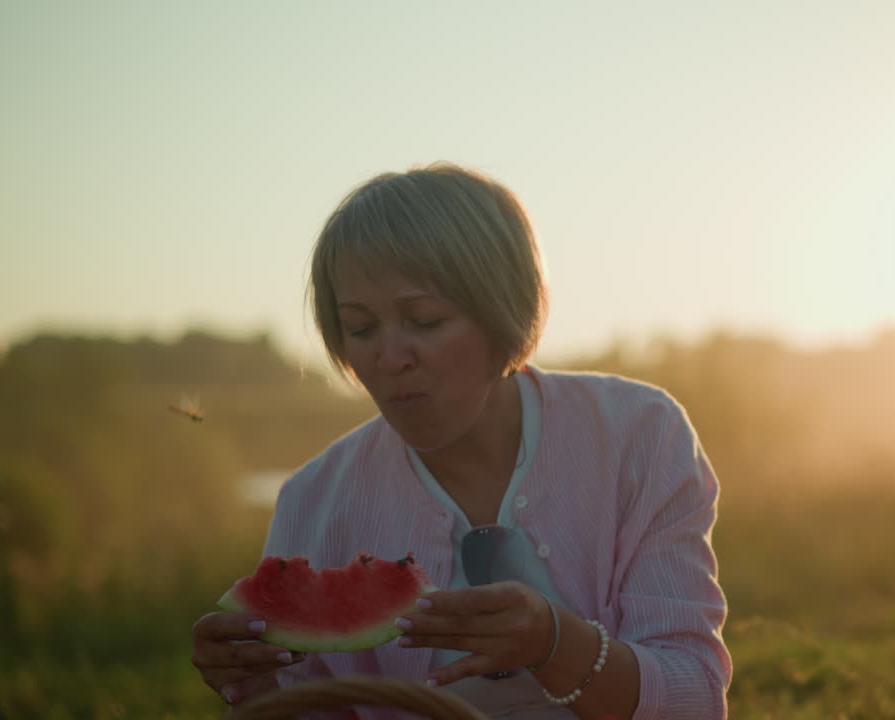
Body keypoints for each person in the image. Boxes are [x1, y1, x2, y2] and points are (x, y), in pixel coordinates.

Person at [190, 163, 731, 719]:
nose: (390, 357)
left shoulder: (638, 437)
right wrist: (253, 688)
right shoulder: (313, 501)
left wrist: (556, 643)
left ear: (503, 316)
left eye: (424, 320)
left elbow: (694, 697)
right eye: (361, 328)